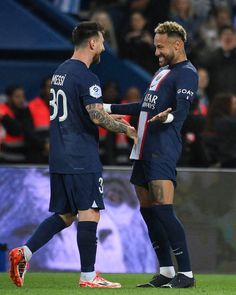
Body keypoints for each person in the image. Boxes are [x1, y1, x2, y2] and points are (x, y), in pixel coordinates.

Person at [9, 21, 137, 289]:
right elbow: (96, 116)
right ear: (92, 43)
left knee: (66, 214)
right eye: (102, 40)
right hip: (81, 156)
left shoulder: (60, 72)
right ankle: (89, 276)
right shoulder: (87, 76)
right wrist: (128, 130)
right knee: (90, 212)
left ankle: (25, 253)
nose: (103, 45)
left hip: (59, 155)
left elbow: (83, 113)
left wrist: (109, 117)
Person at [104, 21, 198, 288]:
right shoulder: (161, 72)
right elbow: (144, 106)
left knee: (164, 210)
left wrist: (168, 117)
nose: (156, 52)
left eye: (160, 47)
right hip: (142, 149)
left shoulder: (187, 73)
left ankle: (187, 274)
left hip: (162, 149)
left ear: (177, 44)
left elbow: (181, 109)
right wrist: (106, 106)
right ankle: (166, 271)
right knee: (148, 212)